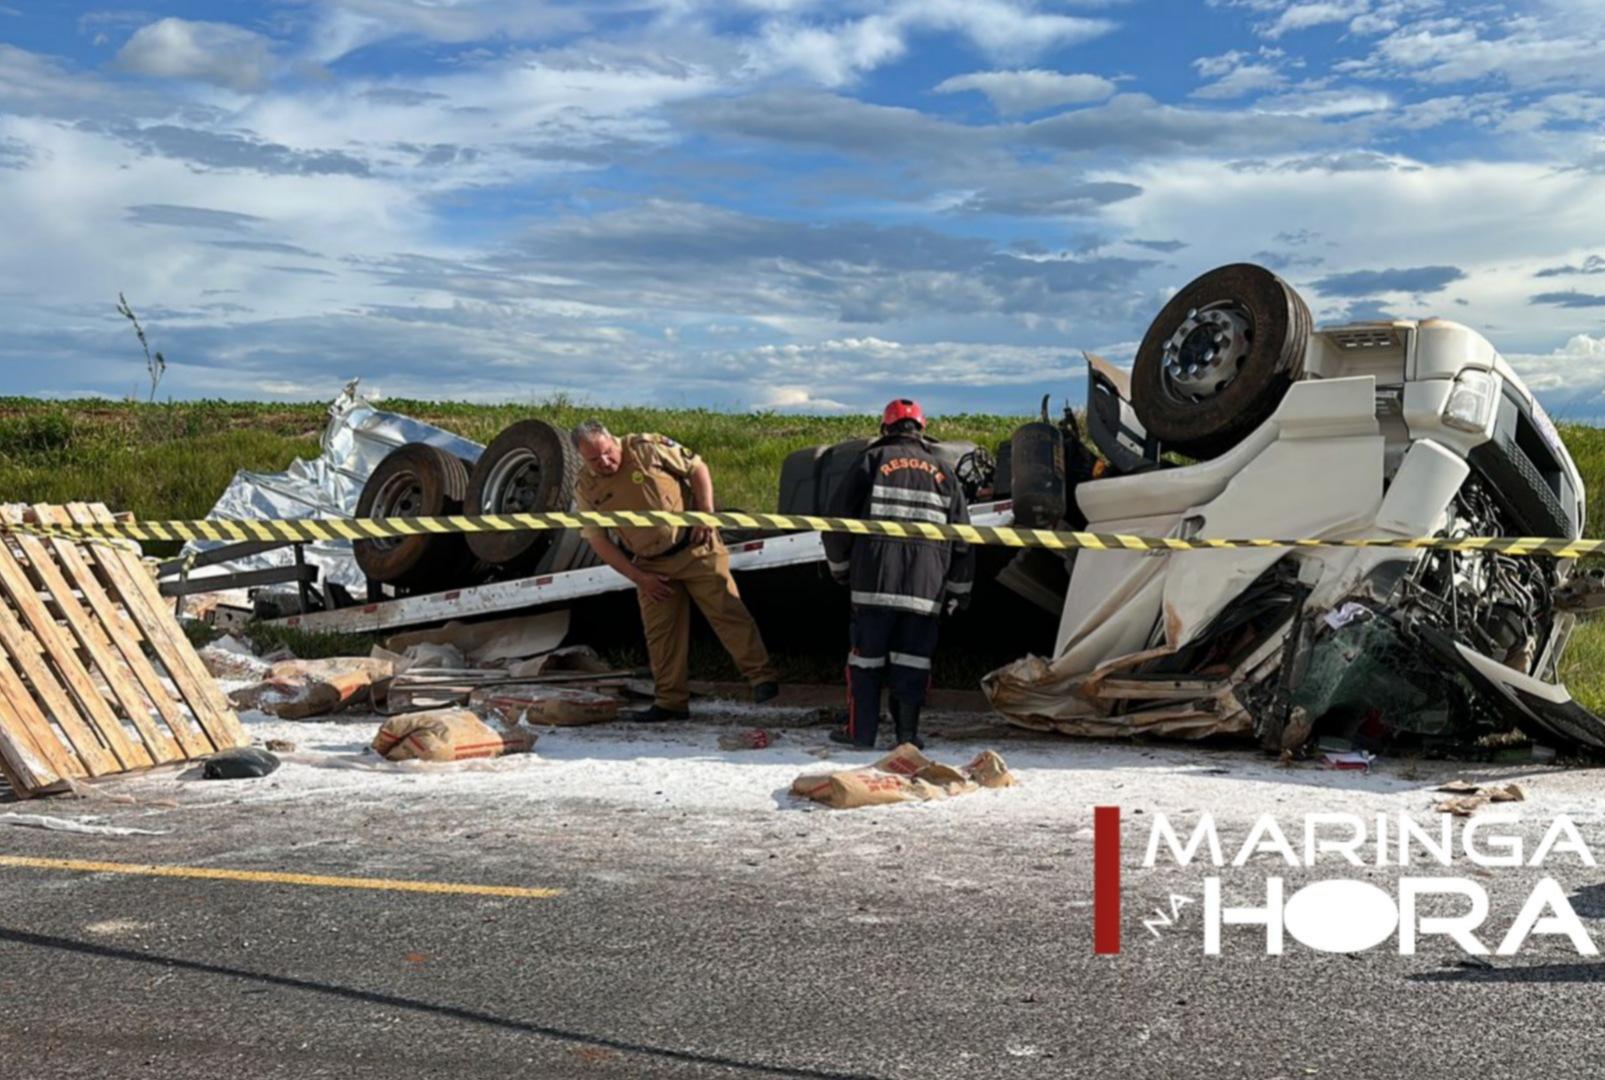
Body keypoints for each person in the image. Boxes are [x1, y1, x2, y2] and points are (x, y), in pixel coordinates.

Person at [572, 420, 779, 721]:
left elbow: (698, 468)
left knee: (727, 611)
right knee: (661, 635)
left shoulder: (647, 447)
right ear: (581, 457)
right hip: (650, 565)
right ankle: (670, 701)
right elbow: (597, 540)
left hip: (695, 548)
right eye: (594, 459)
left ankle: (761, 677)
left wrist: (706, 516)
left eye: (607, 453)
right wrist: (639, 577)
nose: (604, 462)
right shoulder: (585, 486)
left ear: (613, 440)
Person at [823, 399, 974, 749]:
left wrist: (841, 568)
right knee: (914, 661)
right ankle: (907, 736)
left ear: (885, 428)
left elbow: (836, 523)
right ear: (922, 430)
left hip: (874, 583)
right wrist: (958, 590)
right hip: (926, 588)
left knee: (866, 661)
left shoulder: (871, 460)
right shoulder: (944, 470)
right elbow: (964, 537)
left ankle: (860, 734)